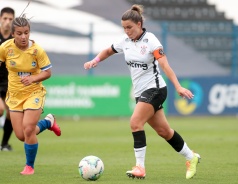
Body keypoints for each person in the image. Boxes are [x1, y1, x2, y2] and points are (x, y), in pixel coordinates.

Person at [84, 4, 201, 180]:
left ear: (139, 24)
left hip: (155, 89)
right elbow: (109, 50)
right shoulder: (125, 42)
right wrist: (96, 60)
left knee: (135, 122)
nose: (127, 31)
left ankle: (140, 167)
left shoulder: (151, 41)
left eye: (129, 27)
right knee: (164, 131)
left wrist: (178, 86)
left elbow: (164, 64)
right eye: (124, 28)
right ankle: (191, 158)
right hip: (141, 93)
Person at [0, 13, 61, 175]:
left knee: (28, 129)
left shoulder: (37, 51)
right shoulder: (5, 48)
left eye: (26, 32)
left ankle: (29, 166)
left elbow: (48, 73)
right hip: (14, 96)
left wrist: (33, 78)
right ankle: (48, 122)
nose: (23, 36)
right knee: (21, 135)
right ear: (13, 34)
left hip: (33, 93)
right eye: (19, 33)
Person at [0, 7, 14, 151]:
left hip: (9, 81)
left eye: (10, 19)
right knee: (0, 109)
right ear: (0, 19)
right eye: (5, 18)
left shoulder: (14, 39)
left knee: (11, 113)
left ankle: (4, 144)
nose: (7, 22)